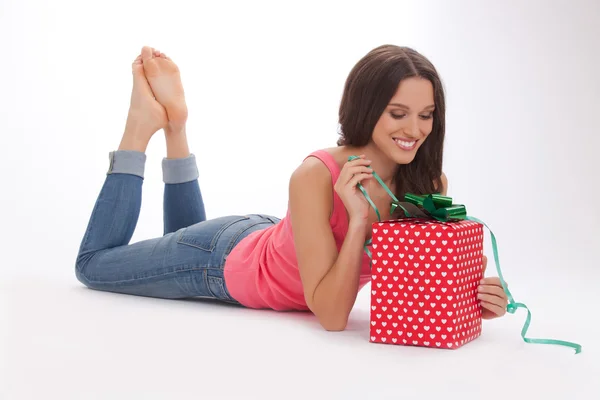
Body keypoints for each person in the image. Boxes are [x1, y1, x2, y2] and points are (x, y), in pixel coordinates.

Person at [75, 45, 509, 331]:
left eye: (426, 115)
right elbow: (333, 315)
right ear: (368, 108)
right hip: (222, 265)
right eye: (398, 113)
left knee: (179, 238)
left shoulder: (425, 182)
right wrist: (357, 220)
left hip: (263, 238)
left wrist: (474, 298)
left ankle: (176, 125)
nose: (414, 130)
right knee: (93, 266)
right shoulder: (315, 175)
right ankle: (138, 128)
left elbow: (417, 280)